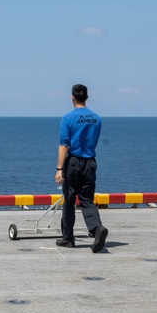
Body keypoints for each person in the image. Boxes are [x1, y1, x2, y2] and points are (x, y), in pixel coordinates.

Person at [55, 84, 108, 253]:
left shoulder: (68, 118)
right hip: (90, 162)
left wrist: (59, 168)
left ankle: (68, 238)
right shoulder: (97, 119)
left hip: (74, 163)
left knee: (69, 200)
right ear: (87, 97)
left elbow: (64, 145)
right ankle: (97, 229)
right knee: (86, 200)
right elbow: (94, 141)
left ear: (72, 97)